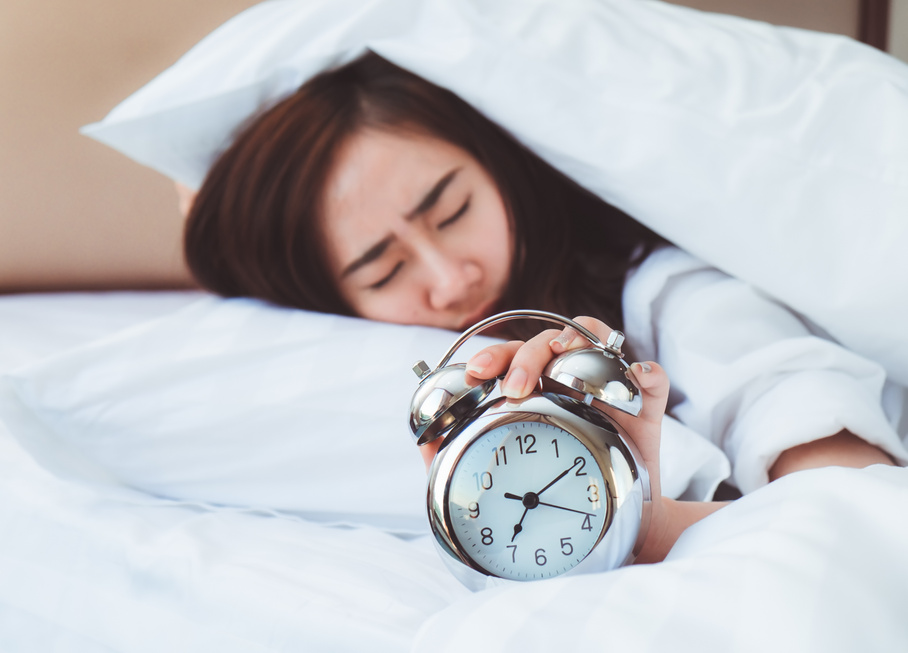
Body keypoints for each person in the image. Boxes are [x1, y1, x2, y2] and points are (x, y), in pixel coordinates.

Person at [176, 52, 897, 562]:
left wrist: (651, 526)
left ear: (499, 167)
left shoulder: (669, 294)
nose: (449, 276)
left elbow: (857, 495)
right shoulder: (327, 357)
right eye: (382, 267)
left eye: (452, 209)